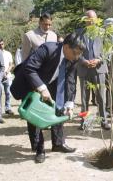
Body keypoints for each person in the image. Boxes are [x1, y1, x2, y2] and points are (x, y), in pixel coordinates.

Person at [10, 32, 84, 163]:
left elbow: (71, 80)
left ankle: (58, 143)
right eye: (75, 53)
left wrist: (70, 103)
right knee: (36, 114)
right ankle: (39, 149)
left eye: (79, 54)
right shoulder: (48, 49)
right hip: (32, 81)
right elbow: (29, 68)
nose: (77, 57)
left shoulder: (74, 57)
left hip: (53, 81)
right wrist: (42, 88)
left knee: (59, 107)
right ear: (66, 47)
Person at [77, 10, 110, 130]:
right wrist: (83, 61)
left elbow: (108, 51)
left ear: (96, 19)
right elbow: (75, 51)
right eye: (88, 19)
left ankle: (104, 121)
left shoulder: (103, 32)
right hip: (84, 68)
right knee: (84, 98)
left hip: (99, 68)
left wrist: (99, 59)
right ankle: (84, 122)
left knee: (101, 97)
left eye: (93, 19)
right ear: (85, 20)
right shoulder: (78, 33)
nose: (91, 21)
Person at [0, 38, 14, 115]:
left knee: (8, 93)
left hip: (7, 76)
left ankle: (8, 108)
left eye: (2, 44)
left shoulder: (8, 53)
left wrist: (6, 72)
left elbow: (11, 64)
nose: (1, 46)